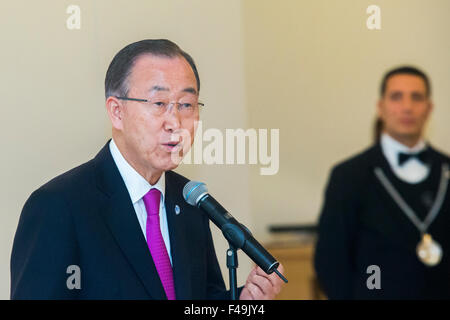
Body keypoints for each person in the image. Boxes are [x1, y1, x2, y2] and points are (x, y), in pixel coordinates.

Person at [10, 39, 284, 300]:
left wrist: (244, 300)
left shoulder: (190, 199)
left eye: (186, 105)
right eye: (159, 104)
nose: (175, 121)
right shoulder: (58, 206)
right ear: (117, 112)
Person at [314, 66, 450, 299]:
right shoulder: (348, 176)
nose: (407, 107)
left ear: (429, 108)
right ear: (381, 107)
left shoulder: (446, 169)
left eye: (416, 97)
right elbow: (331, 261)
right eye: (396, 97)